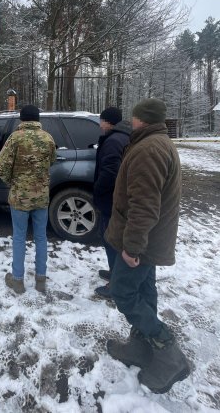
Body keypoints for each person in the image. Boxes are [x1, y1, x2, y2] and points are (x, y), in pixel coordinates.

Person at [105, 98, 190, 394]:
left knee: (123, 291)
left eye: (134, 116)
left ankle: (167, 350)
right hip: (150, 239)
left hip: (143, 240)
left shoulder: (148, 150)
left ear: (141, 119)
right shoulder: (156, 143)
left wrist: (132, 247)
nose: (132, 120)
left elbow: (144, 206)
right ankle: (140, 347)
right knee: (144, 289)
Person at [0, 105, 56, 294]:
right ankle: (40, 280)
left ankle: (18, 281)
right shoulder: (48, 138)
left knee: (19, 237)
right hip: (41, 196)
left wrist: (12, 182)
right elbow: (52, 161)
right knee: (41, 237)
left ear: (21, 119)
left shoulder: (15, 138)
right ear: (37, 119)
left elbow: (1, 165)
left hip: (20, 197)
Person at [93, 107, 131, 300]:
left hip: (111, 198)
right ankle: (115, 272)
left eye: (101, 121)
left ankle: (116, 283)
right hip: (117, 198)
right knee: (112, 237)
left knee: (111, 238)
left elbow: (110, 172)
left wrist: (97, 189)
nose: (100, 124)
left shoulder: (113, 141)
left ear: (107, 122)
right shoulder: (123, 137)